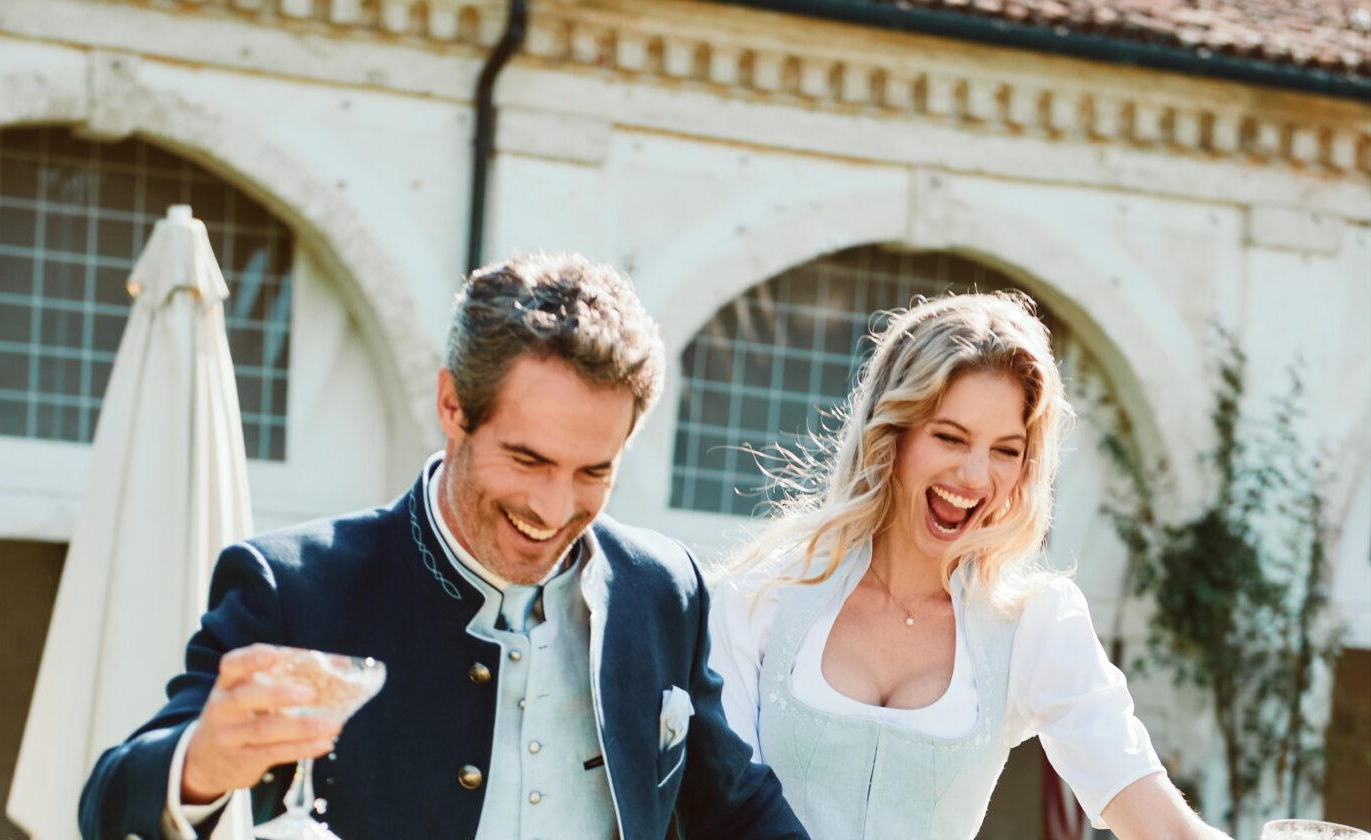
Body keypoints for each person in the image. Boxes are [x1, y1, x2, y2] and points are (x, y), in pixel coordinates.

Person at [80, 253, 809, 840]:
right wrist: (200, 764)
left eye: (594, 471)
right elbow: (108, 807)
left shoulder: (663, 587)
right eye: (527, 459)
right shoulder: (294, 586)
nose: (555, 508)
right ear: (453, 407)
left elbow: (734, 806)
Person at [708, 292, 1231, 839]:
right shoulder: (763, 595)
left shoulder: (1034, 625)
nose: (976, 476)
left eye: (1006, 450)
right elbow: (718, 807)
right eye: (950, 437)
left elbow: (1162, 825)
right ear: (892, 433)